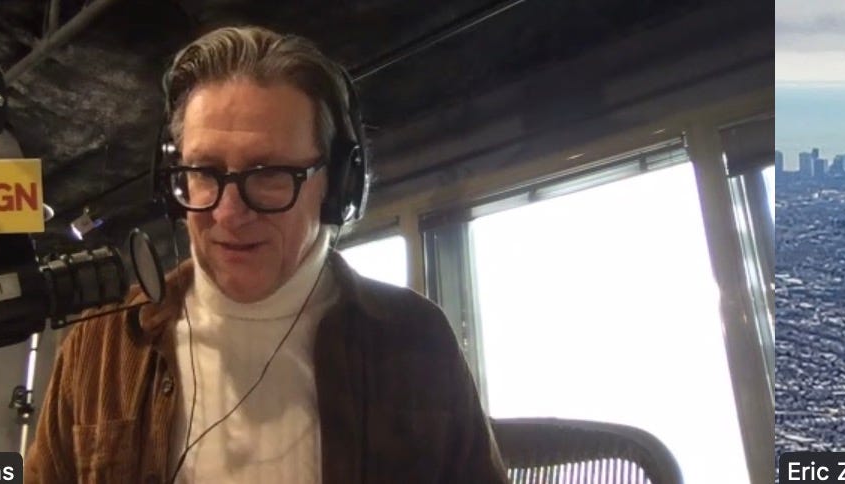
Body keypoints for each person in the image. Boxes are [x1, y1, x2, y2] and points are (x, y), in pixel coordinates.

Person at [25, 26, 504, 483]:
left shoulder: (417, 340)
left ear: (336, 184)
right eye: (204, 171)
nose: (230, 214)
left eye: (270, 173)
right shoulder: (101, 345)